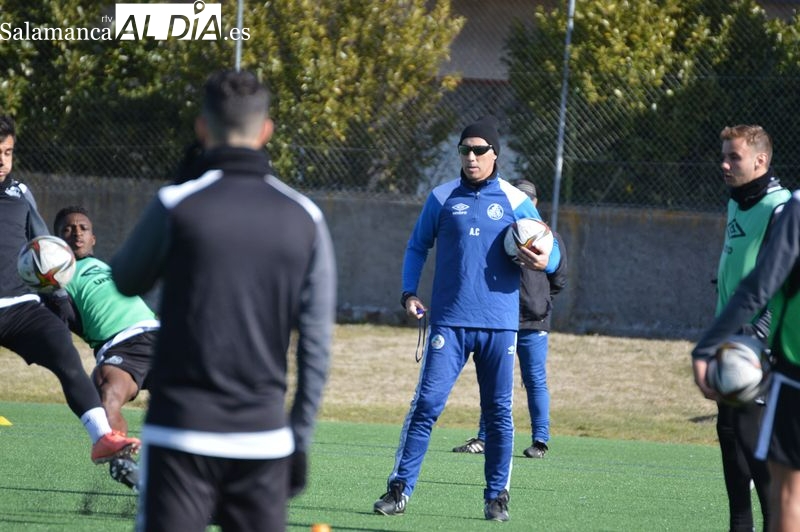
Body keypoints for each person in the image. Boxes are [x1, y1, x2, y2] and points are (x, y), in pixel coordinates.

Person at [110, 70, 336, 532]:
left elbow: (126, 279)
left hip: (179, 434)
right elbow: (316, 345)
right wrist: (298, 438)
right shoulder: (305, 216)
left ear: (202, 127)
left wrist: (178, 186)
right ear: (266, 131)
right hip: (262, 440)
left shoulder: (177, 202)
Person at [371, 116, 561, 522]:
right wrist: (409, 292)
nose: (471, 157)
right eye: (465, 150)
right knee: (426, 405)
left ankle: (496, 498)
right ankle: (399, 489)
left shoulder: (515, 200)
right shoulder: (441, 197)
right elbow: (417, 246)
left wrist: (546, 260)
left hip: (500, 326)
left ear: (495, 154)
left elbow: (553, 249)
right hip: (449, 324)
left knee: (498, 414)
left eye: (479, 150)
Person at [0, 115, 140, 464]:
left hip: (20, 306)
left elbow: (45, 246)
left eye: (8, 152)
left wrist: (58, 294)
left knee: (64, 351)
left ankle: (102, 437)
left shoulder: (20, 194)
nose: (2, 161)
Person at [696, 125, 788, 532]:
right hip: (731, 340)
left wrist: (756, 336)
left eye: (734, 157)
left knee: (757, 446)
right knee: (730, 435)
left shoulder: (781, 207)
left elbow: (780, 283)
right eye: (723, 156)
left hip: (763, 345)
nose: (724, 164)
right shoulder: (737, 202)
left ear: (760, 160)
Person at [45, 206, 159, 491]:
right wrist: (56, 295)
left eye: (83, 228)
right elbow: (68, 323)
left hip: (159, 334)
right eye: (68, 229)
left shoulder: (108, 266)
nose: (77, 233)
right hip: (120, 345)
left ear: (93, 238)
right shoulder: (54, 281)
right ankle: (125, 465)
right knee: (105, 395)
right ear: (56, 241)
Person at [452, 178, 568, 459]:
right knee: (493, 379)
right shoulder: (498, 234)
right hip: (498, 318)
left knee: (534, 380)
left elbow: (559, 278)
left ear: (534, 202)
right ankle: (484, 437)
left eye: (528, 197)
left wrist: (540, 301)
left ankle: (540, 441)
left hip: (533, 319)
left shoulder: (548, 236)